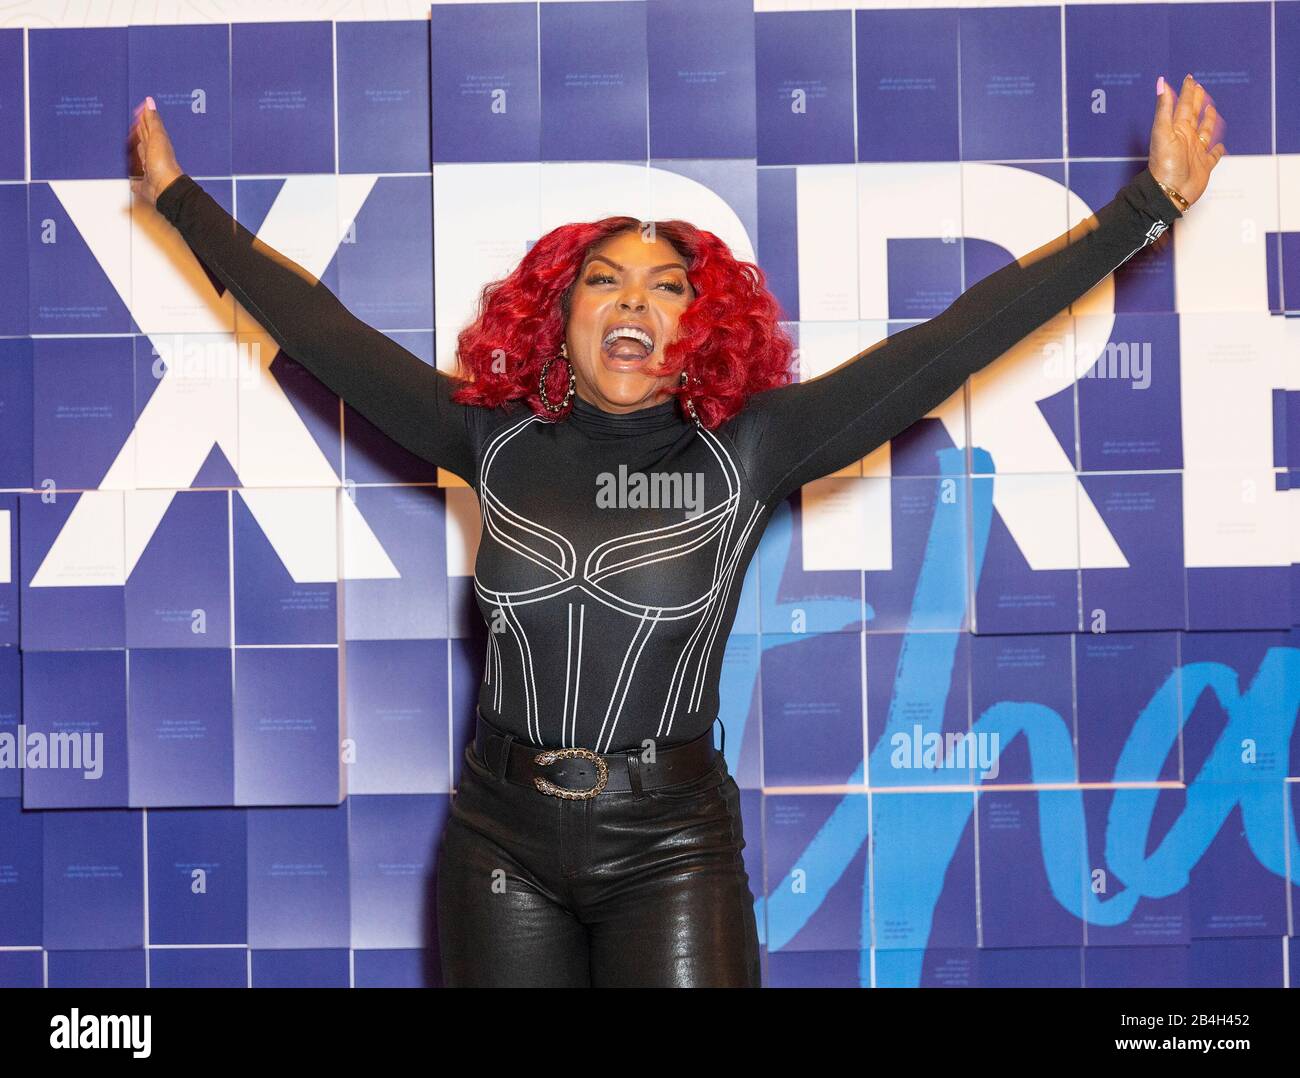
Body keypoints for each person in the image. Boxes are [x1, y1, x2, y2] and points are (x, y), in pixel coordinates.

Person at [127, 75, 1225, 987]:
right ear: (557, 315)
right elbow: (319, 327)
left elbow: (955, 338)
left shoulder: (749, 448)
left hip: (670, 844)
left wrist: (1145, 211)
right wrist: (178, 199)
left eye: (665, 285)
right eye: (602, 281)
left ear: (702, 325)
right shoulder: (490, 438)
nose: (632, 301)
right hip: (497, 839)